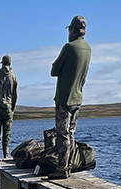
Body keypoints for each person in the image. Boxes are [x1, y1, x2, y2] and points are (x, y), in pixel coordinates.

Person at [50, 15, 91, 180]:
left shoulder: (69, 47)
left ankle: (62, 168)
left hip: (65, 98)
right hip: (78, 97)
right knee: (71, 133)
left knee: (62, 134)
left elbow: (54, 70)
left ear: (73, 30)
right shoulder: (88, 48)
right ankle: (69, 166)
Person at [0, 54, 18, 159]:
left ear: (2, 63)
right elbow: (15, 95)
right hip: (8, 107)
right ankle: (5, 155)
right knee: (7, 134)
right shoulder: (14, 77)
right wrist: (12, 108)